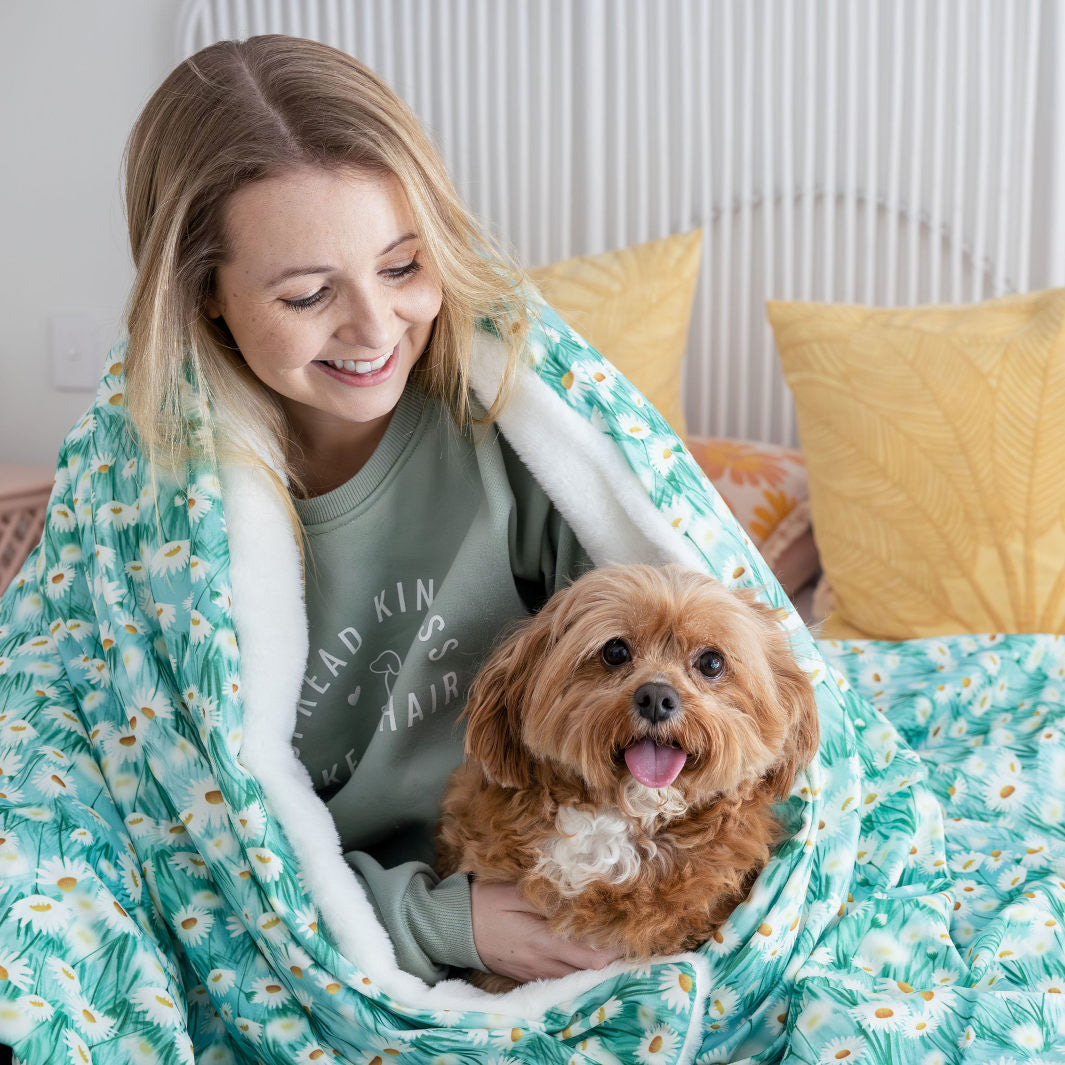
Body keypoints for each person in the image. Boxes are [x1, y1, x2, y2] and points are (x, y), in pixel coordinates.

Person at [121, 34, 621, 987]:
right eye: (309, 293)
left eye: (401, 268)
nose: (374, 328)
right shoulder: (150, 519)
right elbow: (167, 843)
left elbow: (685, 682)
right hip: (324, 928)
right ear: (205, 299)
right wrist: (433, 923)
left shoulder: (510, 428)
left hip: (550, 876)